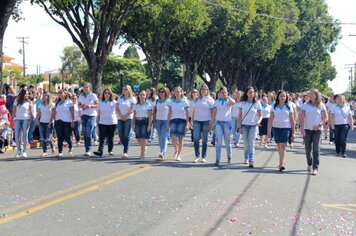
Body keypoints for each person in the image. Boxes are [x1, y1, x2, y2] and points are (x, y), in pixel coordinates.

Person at [299, 89, 328, 175]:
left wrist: (319, 124)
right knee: (308, 149)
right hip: (307, 129)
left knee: (316, 148)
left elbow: (326, 117)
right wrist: (302, 129)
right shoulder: (305, 105)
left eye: (312, 94)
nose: (310, 95)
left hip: (317, 130)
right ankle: (309, 163)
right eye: (309, 94)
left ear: (316, 95)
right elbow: (301, 117)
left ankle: (315, 168)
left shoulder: (321, 105)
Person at [267, 91, 295, 171]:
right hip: (276, 127)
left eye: (284, 96)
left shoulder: (289, 106)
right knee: (279, 145)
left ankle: (281, 162)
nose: (283, 98)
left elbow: (292, 119)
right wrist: (268, 131)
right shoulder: (274, 106)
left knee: (283, 145)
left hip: (286, 127)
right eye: (281, 96)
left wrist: (293, 132)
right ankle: (281, 161)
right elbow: (270, 119)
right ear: (278, 97)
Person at [238, 86, 262, 168]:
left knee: (251, 143)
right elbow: (239, 116)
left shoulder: (257, 103)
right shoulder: (242, 103)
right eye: (250, 92)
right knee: (246, 143)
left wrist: (258, 121)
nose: (252, 94)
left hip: (253, 125)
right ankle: (246, 158)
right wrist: (239, 127)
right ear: (246, 94)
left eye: (253, 92)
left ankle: (251, 160)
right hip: (244, 125)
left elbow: (260, 115)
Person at [210, 87, 235, 166]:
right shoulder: (216, 102)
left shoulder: (228, 101)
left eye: (225, 92)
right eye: (222, 92)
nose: (224, 94)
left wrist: (228, 97)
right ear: (219, 93)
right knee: (219, 142)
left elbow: (233, 102)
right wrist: (212, 123)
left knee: (227, 141)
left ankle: (229, 157)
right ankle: (218, 159)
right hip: (218, 123)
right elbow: (213, 113)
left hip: (227, 123)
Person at [192, 85, 214, 163]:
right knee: (196, 138)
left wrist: (212, 122)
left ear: (208, 91)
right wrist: (192, 120)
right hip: (197, 121)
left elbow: (212, 112)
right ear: (200, 90)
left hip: (206, 121)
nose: (204, 90)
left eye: (206, 89)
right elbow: (194, 110)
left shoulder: (210, 100)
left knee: (205, 139)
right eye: (203, 89)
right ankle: (197, 156)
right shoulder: (196, 99)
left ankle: (203, 156)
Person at [167, 86, 190, 161]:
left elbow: (187, 113)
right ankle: (176, 150)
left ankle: (179, 154)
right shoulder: (171, 101)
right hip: (173, 120)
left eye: (178, 92)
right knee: (173, 138)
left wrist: (187, 123)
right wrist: (168, 123)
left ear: (181, 93)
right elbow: (169, 113)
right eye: (175, 91)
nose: (177, 93)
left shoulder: (184, 101)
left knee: (180, 138)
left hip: (182, 120)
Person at [93, 89, 118, 157]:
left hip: (112, 122)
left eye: (108, 93)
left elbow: (117, 111)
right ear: (103, 94)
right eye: (105, 93)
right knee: (102, 137)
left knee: (110, 137)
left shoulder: (114, 102)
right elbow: (99, 112)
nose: (107, 94)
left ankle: (110, 150)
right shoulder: (101, 102)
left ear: (110, 94)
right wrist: (97, 121)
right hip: (102, 122)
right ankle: (100, 151)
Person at [50, 90, 75, 157]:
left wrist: (73, 120)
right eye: (59, 93)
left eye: (61, 93)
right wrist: (51, 121)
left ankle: (70, 146)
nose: (59, 94)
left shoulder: (69, 102)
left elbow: (72, 112)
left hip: (67, 121)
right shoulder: (58, 102)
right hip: (58, 121)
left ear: (65, 94)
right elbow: (54, 112)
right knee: (60, 137)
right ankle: (60, 151)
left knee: (67, 136)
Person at [78, 82, 98, 156]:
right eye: (84, 87)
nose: (85, 88)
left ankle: (89, 149)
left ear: (90, 88)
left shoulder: (93, 95)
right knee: (86, 133)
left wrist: (89, 106)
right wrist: (82, 106)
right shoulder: (81, 96)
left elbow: (97, 105)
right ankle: (87, 149)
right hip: (84, 115)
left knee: (88, 131)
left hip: (91, 115)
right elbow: (78, 105)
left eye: (87, 87)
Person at [12, 89, 33, 158]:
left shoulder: (29, 102)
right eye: (25, 94)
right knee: (17, 136)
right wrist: (11, 120)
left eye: (28, 94)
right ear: (22, 94)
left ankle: (24, 151)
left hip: (25, 120)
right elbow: (14, 111)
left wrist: (29, 122)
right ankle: (19, 151)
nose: (27, 95)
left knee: (25, 135)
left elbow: (31, 113)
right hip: (17, 119)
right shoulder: (17, 101)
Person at [117, 85, 135, 158]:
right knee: (121, 134)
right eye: (123, 89)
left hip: (128, 118)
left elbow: (132, 109)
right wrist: (121, 116)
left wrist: (126, 115)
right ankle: (125, 146)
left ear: (129, 90)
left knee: (126, 135)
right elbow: (117, 108)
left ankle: (125, 151)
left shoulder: (132, 99)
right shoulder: (120, 98)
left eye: (126, 89)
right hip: (120, 117)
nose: (124, 90)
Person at [133, 90, 152, 159]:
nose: (142, 96)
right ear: (138, 96)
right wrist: (133, 125)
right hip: (138, 121)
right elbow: (134, 115)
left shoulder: (148, 105)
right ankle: (144, 146)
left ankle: (142, 152)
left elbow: (150, 116)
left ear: (145, 96)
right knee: (138, 138)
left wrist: (149, 125)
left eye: (143, 95)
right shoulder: (136, 105)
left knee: (143, 137)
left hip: (145, 121)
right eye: (140, 94)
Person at [36, 92, 56, 157]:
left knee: (48, 138)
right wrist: (37, 120)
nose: (44, 97)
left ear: (48, 97)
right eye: (43, 96)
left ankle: (52, 146)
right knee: (43, 138)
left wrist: (50, 122)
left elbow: (53, 114)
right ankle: (44, 152)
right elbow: (38, 113)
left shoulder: (52, 105)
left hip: (49, 123)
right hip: (42, 122)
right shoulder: (40, 104)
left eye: (45, 96)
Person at [153, 87, 170, 159]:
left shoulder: (168, 101)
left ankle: (163, 151)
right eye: (160, 91)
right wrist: (154, 120)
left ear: (166, 93)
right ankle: (161, 150)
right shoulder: (157, 101)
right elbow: (154, 111)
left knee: (164, 136)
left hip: (166, 121)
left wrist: (170, 122)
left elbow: (171, 112)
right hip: (158, 120)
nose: (161, 93)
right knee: (160, 137)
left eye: (163, 92)